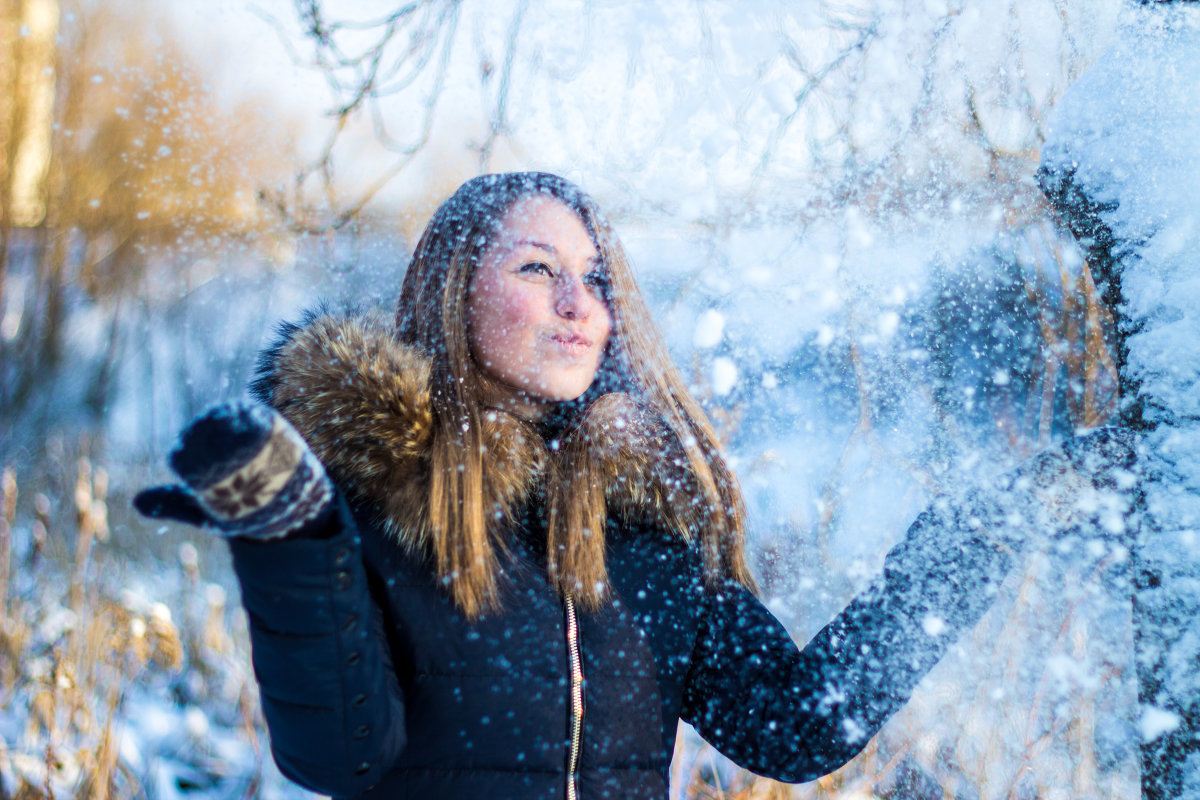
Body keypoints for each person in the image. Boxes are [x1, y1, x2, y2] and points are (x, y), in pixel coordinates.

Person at [135, 172, 1132, 800]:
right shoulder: (383, 504)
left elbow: (795, 726)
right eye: (537, 267)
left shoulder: (645, 530)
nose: (580, 304)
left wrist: (969, 542)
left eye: (597, 276)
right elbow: (341, 756)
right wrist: (293, 535)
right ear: (453, 291)